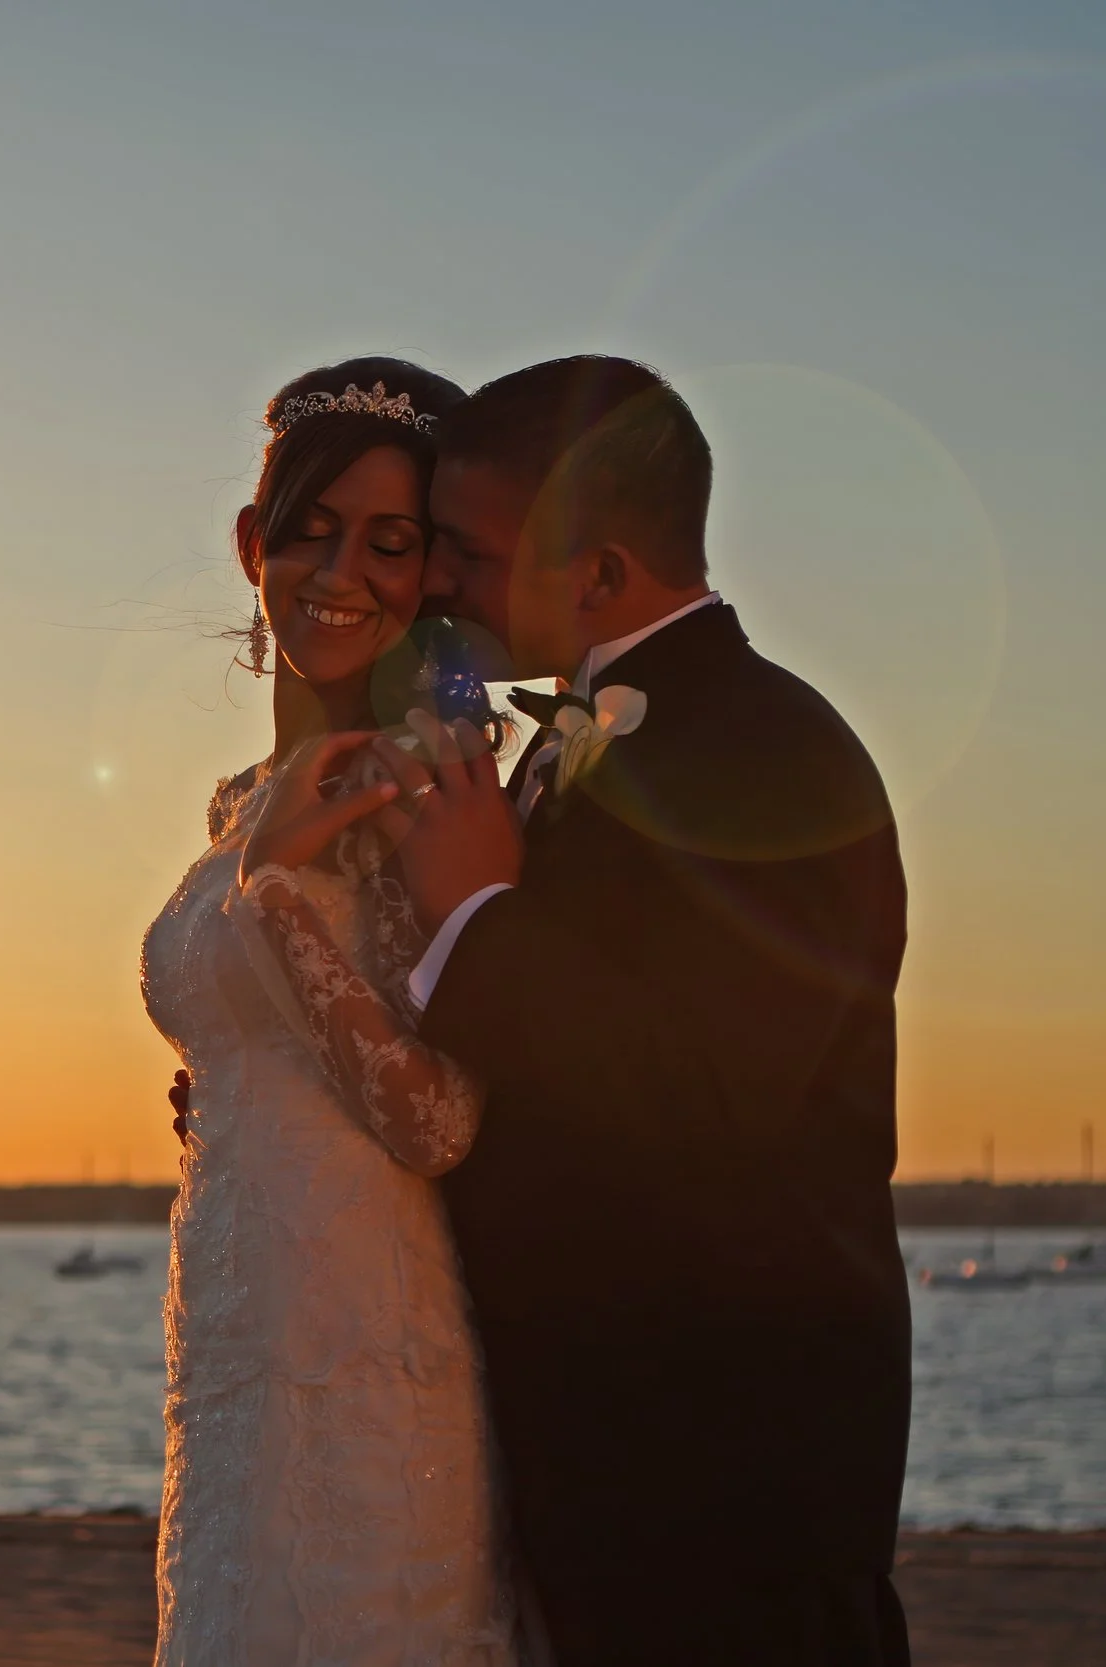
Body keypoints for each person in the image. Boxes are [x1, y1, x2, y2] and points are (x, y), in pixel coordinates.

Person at [258, 356, 912, 1665]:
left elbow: (715, 1090)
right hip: (572, 1455)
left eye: (464, 551)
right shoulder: (569, 736)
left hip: (719, 1469)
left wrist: (476, 918)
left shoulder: (772, 751)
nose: (434, 583)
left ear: (600, 575)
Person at [142, 356, 524, 1664]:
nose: (339, 568)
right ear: (254, 542)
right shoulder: (241, 794)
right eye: (310, 527)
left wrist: (273, 907)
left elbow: (438, 1118)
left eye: (390, 540)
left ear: (430, 573)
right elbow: (282, 1038)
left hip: (373, 1368)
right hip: (239, 1353)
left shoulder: (430, 783)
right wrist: (224, 1090)